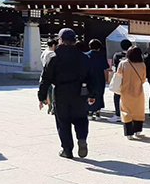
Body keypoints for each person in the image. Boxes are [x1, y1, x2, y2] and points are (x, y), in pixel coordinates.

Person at [38, 28, 96, 159]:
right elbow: (91, 77)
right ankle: (81, 138)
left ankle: (67, 150)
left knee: (63, 121)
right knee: (81, 119)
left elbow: (45, 78)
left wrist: (42, 97)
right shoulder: (84, 57)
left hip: (61, 92)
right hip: (79, 92)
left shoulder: (53, 57)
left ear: (60, 40)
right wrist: (92, 94)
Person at [117, 46, 147, 140]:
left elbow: (118, 76)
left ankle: (128, 133)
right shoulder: (142, 64)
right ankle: (137, 130)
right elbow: (143, 78)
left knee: (126, 111)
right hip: (138, 91)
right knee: (138, 111)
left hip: (125, 91)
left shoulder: (123, 63)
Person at [85, 39, 110, 120]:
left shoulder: (86, 55)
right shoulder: (101, 56)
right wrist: (107, 79)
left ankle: (89, 112)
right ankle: (98, 112)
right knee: (99, 94)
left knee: (89, 94)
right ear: (99, 48)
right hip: (99, 77)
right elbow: (106, 68)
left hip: (88, 78)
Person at [109, 39, 132, 123]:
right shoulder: (133, 55)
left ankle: (118, 114)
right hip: (131, 79)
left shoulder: (117, 55)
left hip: (120, 78)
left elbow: (114, 68)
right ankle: (129, 113)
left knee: (117, 96)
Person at [41, 38, 58, 115]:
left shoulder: (44, 52)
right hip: (52, 75)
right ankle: (52, 107)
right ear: (54, 45)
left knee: (48, 92)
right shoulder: (52, 54)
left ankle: (49, 106)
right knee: (52, 93)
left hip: (44, 73)